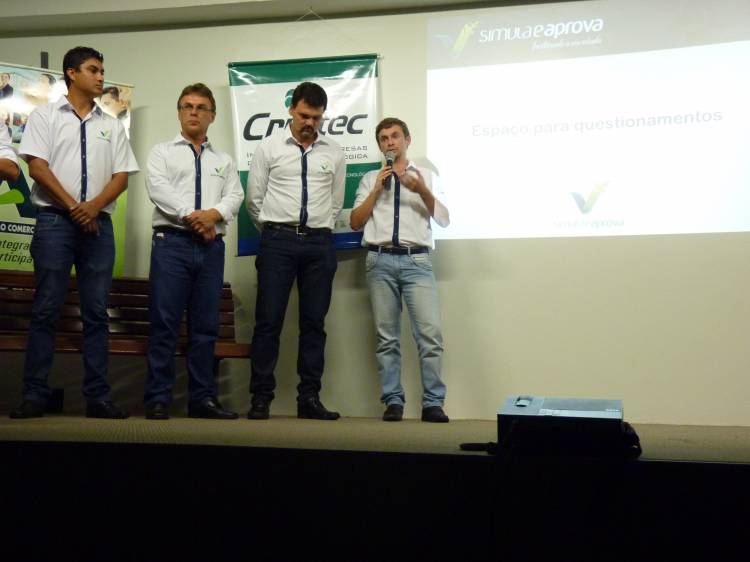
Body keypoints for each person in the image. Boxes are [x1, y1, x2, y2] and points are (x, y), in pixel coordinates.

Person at [9, 46, 139, 419]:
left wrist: (92, 208)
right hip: (54, 223)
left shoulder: (111, 124)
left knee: (97, 312)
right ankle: (35, 395)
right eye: (93, 70)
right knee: (46, 308)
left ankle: (98, 398)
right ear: (71, 73)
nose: (101, 77)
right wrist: (74, 208)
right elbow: (36, 167)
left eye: (102, 70)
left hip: (98, 225)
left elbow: (121, 177)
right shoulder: (45, 116)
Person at [143, 83, 243, 420]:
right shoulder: (161, 152)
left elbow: (235, 196)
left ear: (212, 115)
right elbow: (159, 189)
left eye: (201, 107)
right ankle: (158, 398)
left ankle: (202, 399)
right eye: (187, 106)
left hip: (211, 249)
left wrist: (213, 215)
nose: (194, 112)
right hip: (171, 244)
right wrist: (195, 217)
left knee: (205, 326)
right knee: (165, 322)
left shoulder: (223, 160)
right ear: (179, 112)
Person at [246, 81, 345, 420]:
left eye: (316, 118)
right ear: (291, 110)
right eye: (304, 116)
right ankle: (261, 398)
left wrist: (316, 228)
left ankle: (309, 399)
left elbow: (335, 202)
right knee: (268, 322)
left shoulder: (334, 151)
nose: (309, 123)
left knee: (314, 324)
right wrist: (276, 230)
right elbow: (254, 200)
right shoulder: (269, 147)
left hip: (319, 243)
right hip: (278, 241)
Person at [350, 117, 450, 423]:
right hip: (379, 261)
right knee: (387, 338)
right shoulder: (370, 179)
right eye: (384, 138)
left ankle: (433, 403)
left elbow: (444, 219)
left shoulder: (427, 176)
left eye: (395, 136)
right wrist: (375, 191)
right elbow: (355, 222)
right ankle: (393, 401)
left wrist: (422, 190)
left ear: (407, 140)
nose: (390, 142)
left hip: (416, 261)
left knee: (430, 335)